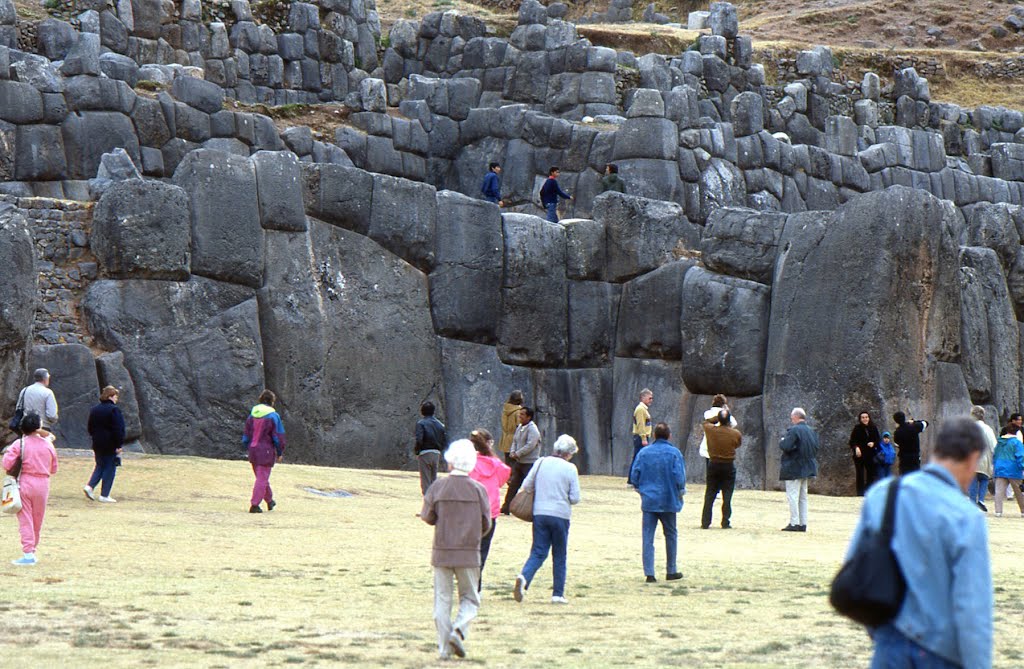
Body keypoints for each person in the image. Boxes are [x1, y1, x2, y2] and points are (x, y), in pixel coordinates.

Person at [843, 418, 991, 668]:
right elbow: (972, 605)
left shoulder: (883, 494)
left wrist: (878, 628)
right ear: (972, 459)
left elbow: (855, 568)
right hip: (942, 650)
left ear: (936, 451)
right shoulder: (967, 517)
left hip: (889, 641)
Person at [420, 439, 491, 660]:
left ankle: (444, 649)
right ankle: (459, 629)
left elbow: (427, 517)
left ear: (450, 461)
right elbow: (486, 524)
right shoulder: (479, 490)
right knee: (470, 597)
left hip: (442, 551)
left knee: (442, 600)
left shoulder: (438, 487)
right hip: (469, 553)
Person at [513, 434, 581, 604]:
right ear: (569, 453)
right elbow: (575, 498)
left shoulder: (540, 462)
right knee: (559, 554)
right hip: (560, 515)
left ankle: (524, 577)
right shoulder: (570, 468)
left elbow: (526, 486)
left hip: (540, 513)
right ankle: (557, 593)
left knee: (538, 551)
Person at [630, 422, 684, 583]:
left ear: (654, 435)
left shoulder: (644, 453)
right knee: (671, 535)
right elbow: (679, 477)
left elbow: (635, 475)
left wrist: (641, 490)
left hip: (649, 500)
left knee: (648, 537)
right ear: (669, 435)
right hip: (668, 499)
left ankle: (649, 573)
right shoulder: (674, 453)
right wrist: (680, 493)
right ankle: (671, 569)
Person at [3, 412, 58, 566]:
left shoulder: (19, 444)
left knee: (25, 519)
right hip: (43, 483)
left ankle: (28, 553)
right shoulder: (48, 444)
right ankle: (32, 549)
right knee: (37, 519)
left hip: (25, 482)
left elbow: (7, 464)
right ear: (38, 426)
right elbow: (54, 468)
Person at [468, 428, 511, 590]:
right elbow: (502, 478)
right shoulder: (496, 464)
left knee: (468, 549)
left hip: (471, 511)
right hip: (490, 512)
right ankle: (475, 585)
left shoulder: (469, 463)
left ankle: (468, 584)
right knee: (483, 550)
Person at [242, 389, 286, 513]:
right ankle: (254, 504)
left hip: (253, 450)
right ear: (272, 401)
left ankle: (270, 500)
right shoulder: (273, 416)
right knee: (262, 478)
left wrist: (248, 446)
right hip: (266, 451)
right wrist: (280, 452)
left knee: (261, 477)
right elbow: (278, 437)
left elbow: (246, 435)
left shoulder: (252, 414)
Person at [83, 385, 126, 503]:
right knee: (110, 468)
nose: (116, 399)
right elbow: (118, 429)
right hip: (110, 444)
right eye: (116, 396)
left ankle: (90, 486)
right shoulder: (114, 410)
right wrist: (119, 445)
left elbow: (90, 427)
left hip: (97, 442)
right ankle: (104, 495)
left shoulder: (95, 409)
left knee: (100, 465)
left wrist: (95, 437)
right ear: (111, 396)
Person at [779, 407, 819, 532]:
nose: (791, 420)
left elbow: (786, 446)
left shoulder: (794, 430)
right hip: (807, 466)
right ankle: (803, 523)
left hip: (794, 467)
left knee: (793, 496)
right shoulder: (811, 431)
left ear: (796, 417)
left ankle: (794, 522)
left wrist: (782, 441)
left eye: (792, 417)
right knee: (803, 497)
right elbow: (816, 447)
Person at [701, 410, 742, 530]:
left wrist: (717, 418)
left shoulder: (710, 430)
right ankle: (725, 521)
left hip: (714, 464)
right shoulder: (735, 433)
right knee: (727, 494)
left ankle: (705, 521)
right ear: (729, 420)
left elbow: (705, 422)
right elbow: (737, 445)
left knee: (710, 494)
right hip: (728, 465)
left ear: (718, 420)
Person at [500, 406, 541, 516]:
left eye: (522, 414)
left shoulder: (533, 429)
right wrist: (512, 451)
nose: (520, 416)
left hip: (529, 463)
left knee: (531, 487)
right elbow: (515, 441)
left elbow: (530, 445)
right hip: (519, 462)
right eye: (520, 414)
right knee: (513, 485)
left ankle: (535, 509)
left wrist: (517, 453)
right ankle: (506, 506)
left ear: (529, 417)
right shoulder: (519, 427)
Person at [698, 394, 737, 476]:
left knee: (710, 471)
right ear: (724, 404)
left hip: (709, 444)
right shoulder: (725, 414)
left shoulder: (707, 413)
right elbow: (734, 423)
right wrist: (727, 412)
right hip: (722, 446)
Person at [967, 406, 996, 512]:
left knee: (973, 480)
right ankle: (982, 500)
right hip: (985, 458)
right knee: (984, 479)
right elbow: (993, 445)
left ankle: (972, 503)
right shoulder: (988, 429)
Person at [415, 401, 447, 495]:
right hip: (436, 453)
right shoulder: (440, 425)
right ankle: (435, 503)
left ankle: (428, 505)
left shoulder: (421, 423)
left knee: (426, 481)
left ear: (422, 411)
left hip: (425, 452)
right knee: (434, 480)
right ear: (433, 411)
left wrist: (417, 451)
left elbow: (419, 439)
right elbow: (444, 440)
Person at [992, 425, 1024, 518]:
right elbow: (1020, 456)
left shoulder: (1000, 442)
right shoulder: (1017, 443)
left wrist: (995, 466)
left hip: (1000, 468)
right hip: (1014, 469)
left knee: (999, 491)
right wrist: (1022, 467)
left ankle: (998, 511)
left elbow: (995, 455)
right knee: (1019, 491)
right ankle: (1023, 510)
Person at [849, 411, 881, 495]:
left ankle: (867, 490)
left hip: (870, 454)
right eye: (863, 417)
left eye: (866, 417)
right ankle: (860, 493)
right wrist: (856, 448)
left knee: (871, 474)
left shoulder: (873, 428)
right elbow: (852, 441)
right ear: (860, 419)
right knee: (860, 474)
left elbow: (878, 440)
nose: (865, 419)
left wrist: (873, 444)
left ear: (869, 418)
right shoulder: (857, 428)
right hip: (859, 455)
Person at [627, 389, 654, 486]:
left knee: (640, 458)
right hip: (641, 437)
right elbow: (641, 425)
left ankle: (636, 480)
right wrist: (643, 438)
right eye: (649, 398)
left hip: (643, 437)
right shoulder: (640, 409)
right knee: (638, 458)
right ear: (643, 398)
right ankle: (631, 480)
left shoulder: (643, 409)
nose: (651, 400)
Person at [498, 390, 524, 464]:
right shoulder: (518, 411)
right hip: (514, 440)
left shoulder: (506, 409)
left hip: (505, 439)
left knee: (508, 463)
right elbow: (520, 427)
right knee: (515, 465)